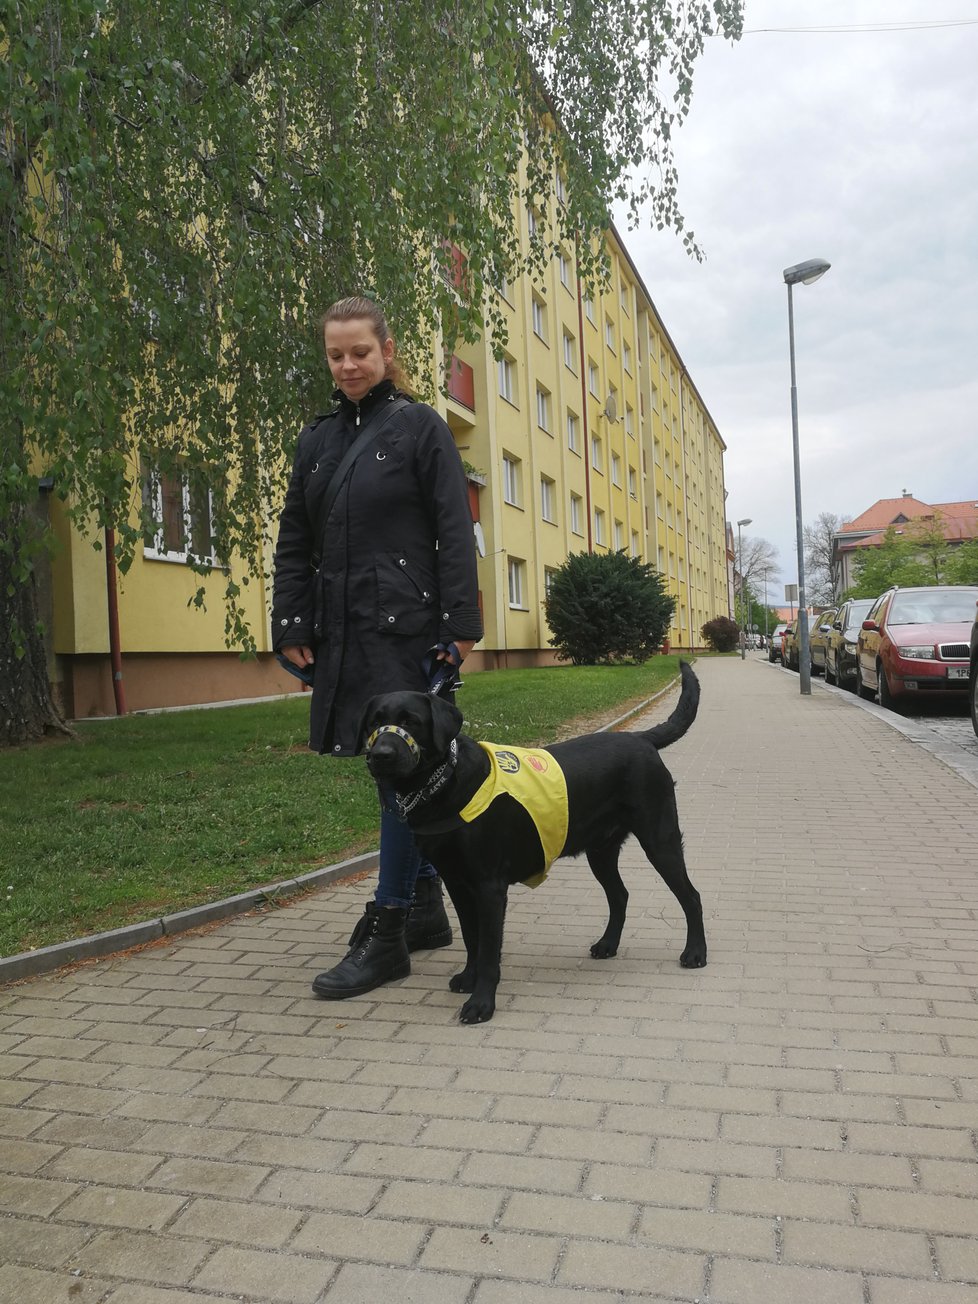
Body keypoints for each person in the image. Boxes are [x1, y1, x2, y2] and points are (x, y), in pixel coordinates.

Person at [271, 295, 482, 1000]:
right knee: (386, 773)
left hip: (410, 633)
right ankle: (425, 907)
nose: (349, 364)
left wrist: (461, 627)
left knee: (400, 774)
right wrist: (291, 624)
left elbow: (455, 530)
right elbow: (295, 541)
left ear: (387, 351)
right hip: (344, 632)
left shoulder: (421, 428)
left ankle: (388, 929)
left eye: (360, 351)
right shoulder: (316, 441)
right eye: (336, 354)